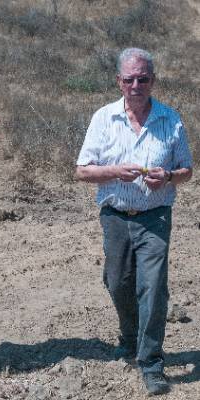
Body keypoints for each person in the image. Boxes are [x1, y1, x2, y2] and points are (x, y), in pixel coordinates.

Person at [75, 48, 192, 396]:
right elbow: (82, 170)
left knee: (153, 289)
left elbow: (187, 170)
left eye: (143, 78)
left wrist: (168, 177)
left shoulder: (171, 119)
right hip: (114, 216)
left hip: (155, 217)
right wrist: (113, 172)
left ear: (153, 80)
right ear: (119, 81)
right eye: (129, 79)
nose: (136, 85)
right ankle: (129, 335)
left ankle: (151, 362)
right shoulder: (103, 118)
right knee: (117, 281)